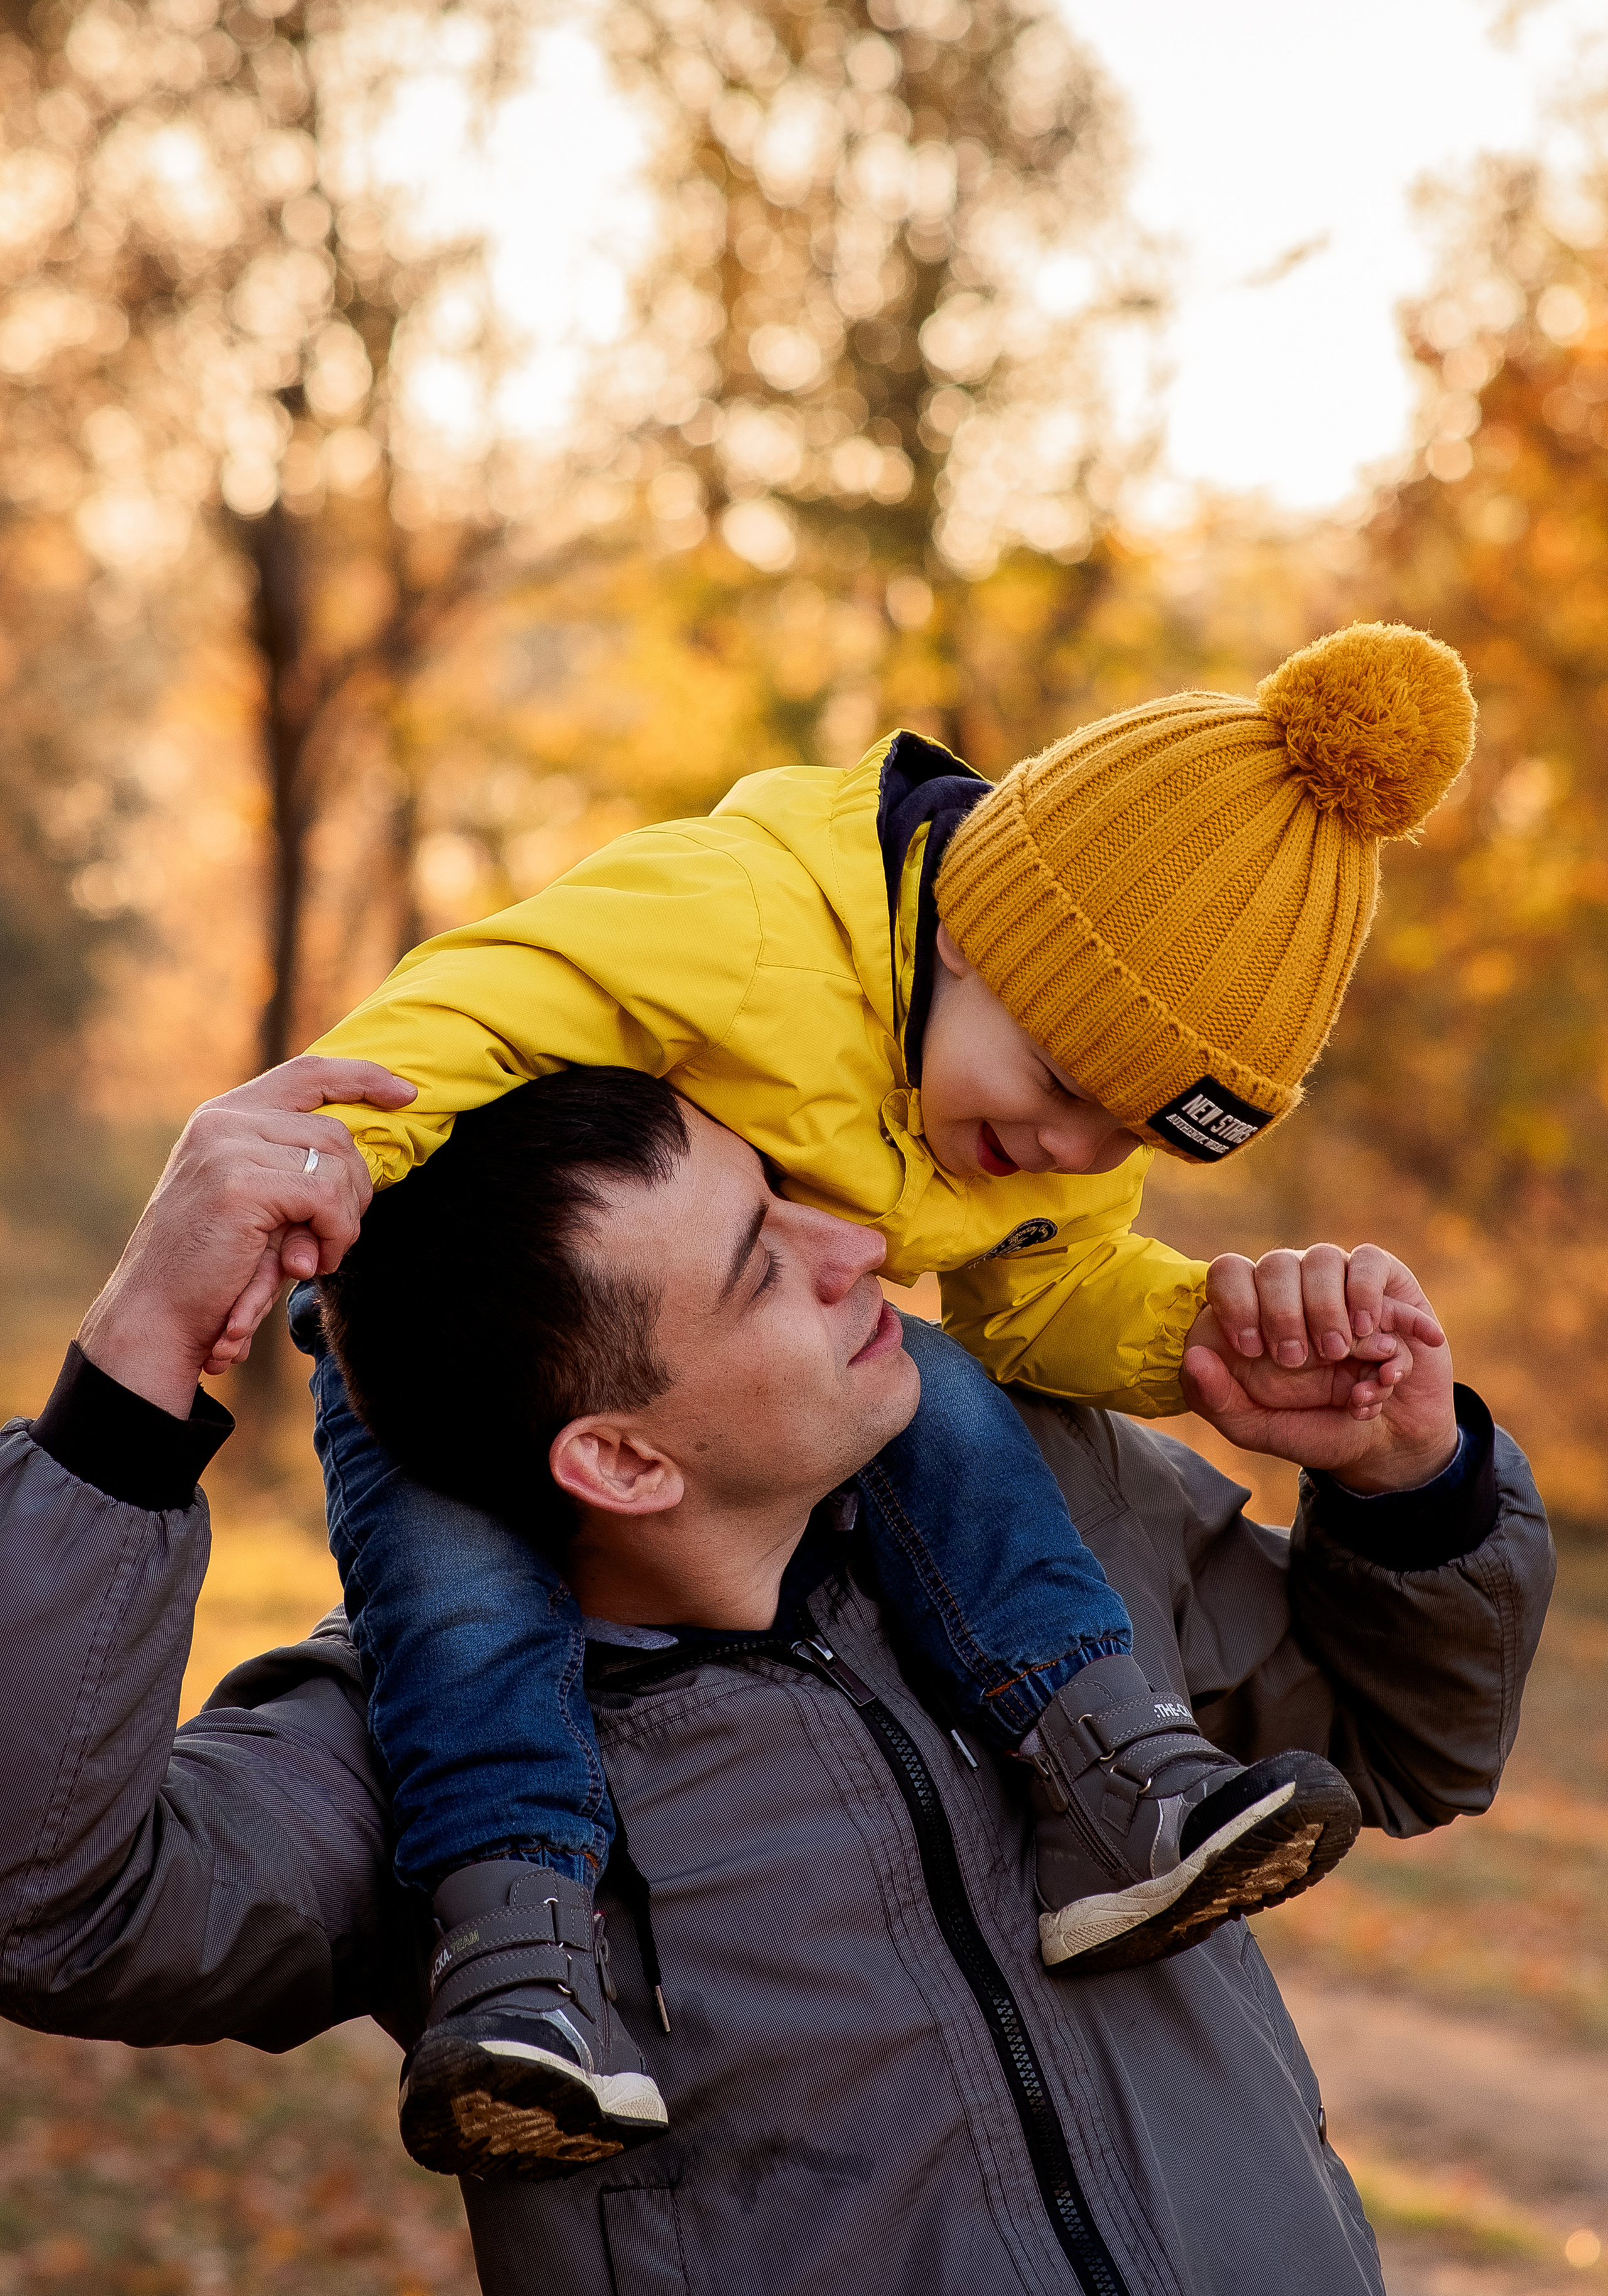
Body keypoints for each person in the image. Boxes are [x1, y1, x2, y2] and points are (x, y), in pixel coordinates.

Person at [209, 624, 1477, 2170]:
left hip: (735, 1352)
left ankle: (1117, 1780)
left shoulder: (1041, 1124)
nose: (1079, 1150)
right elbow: (472, 1008)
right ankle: (517, 1953)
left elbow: (1048, 1299)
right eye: (1066, 1085)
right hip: (450, 1315)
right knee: (461, 1588)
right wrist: (329, 1181)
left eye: (1133, 1129)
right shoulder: (739, 921)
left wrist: (1202, 1341)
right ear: (973, 933)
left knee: (942, 1393)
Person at [0, 1057, 1551, 2296]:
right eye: (762, 1267)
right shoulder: (404, 1758)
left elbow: (1401, 1751)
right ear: (616, 1456)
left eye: (788, 1195)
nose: (861, 1246)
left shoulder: (1051, 1518)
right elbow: (46, 1904)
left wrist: (1405, 1480)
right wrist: (131, 1377)